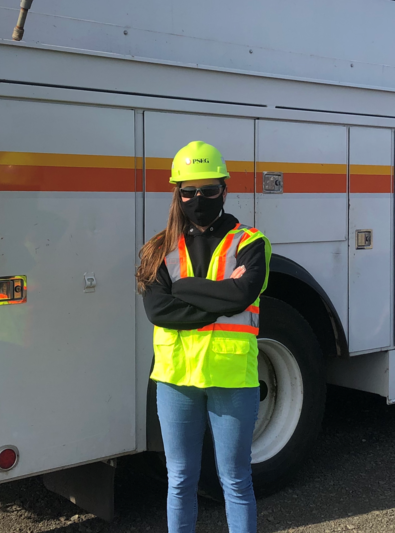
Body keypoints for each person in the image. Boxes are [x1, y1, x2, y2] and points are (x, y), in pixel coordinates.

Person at [137, 141, 272, 533]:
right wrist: (219, 297)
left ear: (225, 190)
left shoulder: (250, 242)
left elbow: (242, 295)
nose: (199, 199)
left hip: (232, 378)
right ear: (177, 193)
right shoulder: (158, 248)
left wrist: (183, 288)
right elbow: (158, 311)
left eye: (209, 190)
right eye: (189, 191)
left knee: (235, 480)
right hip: (176, 381)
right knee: (179, 480)